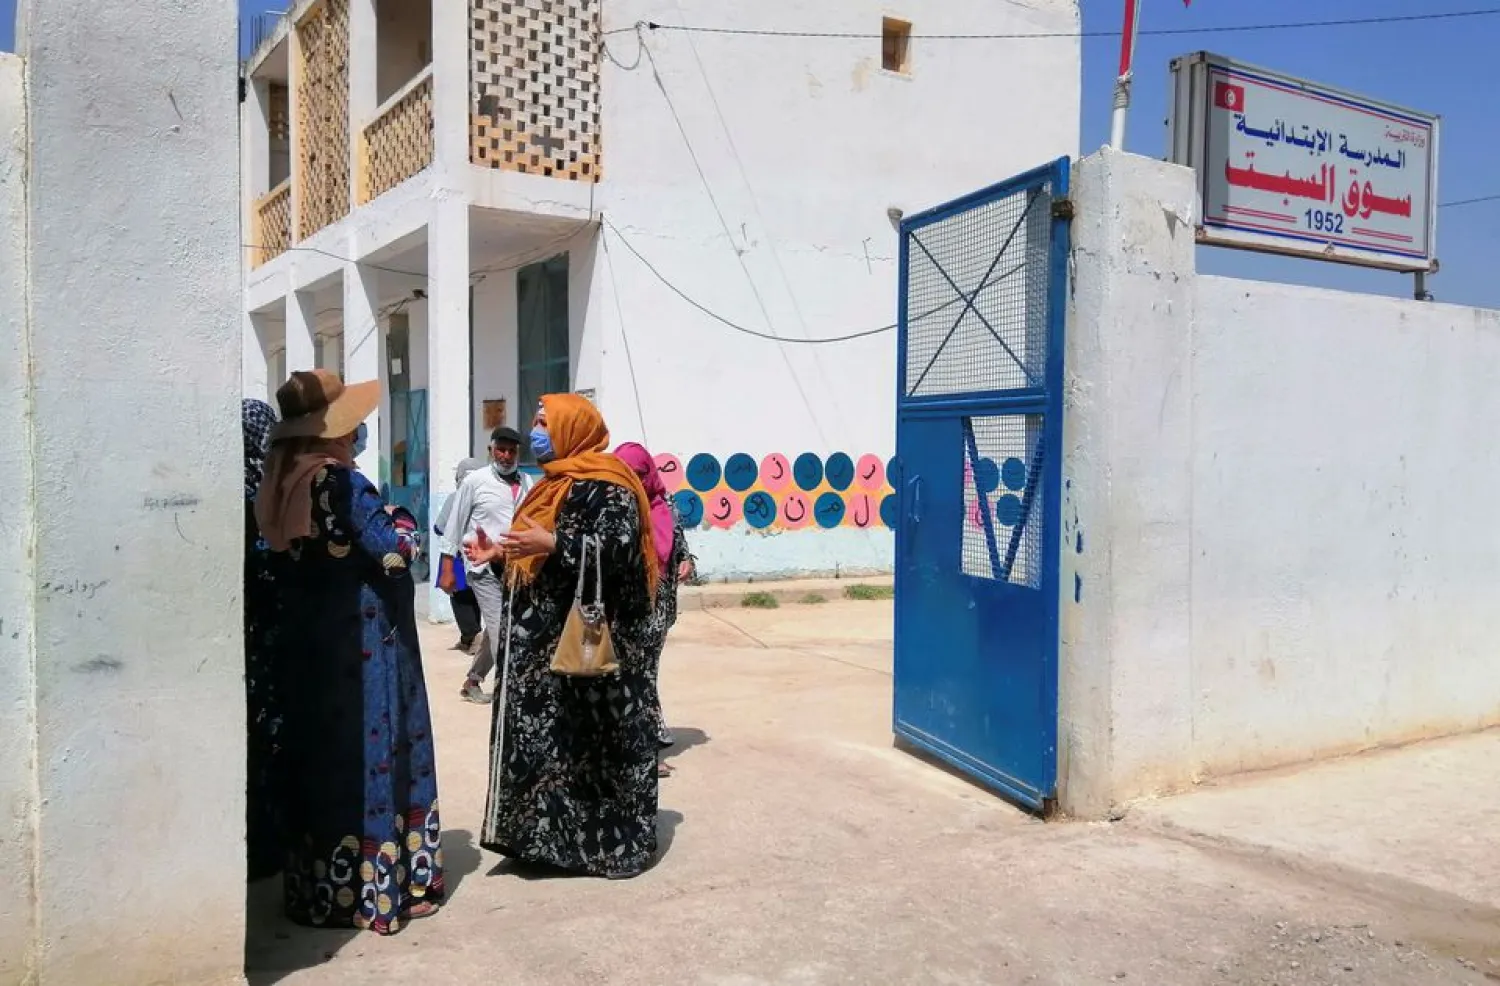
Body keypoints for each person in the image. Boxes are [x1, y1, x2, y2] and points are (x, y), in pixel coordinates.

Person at [255, 369, 444, 933]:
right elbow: (391, 552)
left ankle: (322, 888)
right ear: (333, 429)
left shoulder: (280, 480)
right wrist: (405, 526)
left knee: (320, 757)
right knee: (375, 746)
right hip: (364, 642)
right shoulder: (342, 484)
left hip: (307, 645)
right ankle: (378, 890)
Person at [465, 394, 660, 878]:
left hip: (587, 650)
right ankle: (541, 842)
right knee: (545, 748)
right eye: (535, 421)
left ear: (574, 427)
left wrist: (553, 543)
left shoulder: (609, 485)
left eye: (545, 422)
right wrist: (500, 553)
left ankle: (602, 846)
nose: (536, 431)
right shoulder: (550, 486)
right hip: (537, 653)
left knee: (590, 746)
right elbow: (532, 553)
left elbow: (619, 550)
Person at [614, 442, 694, 767]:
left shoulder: (664, 504)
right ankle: (643, 746)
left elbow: (680, 544)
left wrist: (686, 561)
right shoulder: (614, 506)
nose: (635, 481)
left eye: (640, 474)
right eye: (627, 474)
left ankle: (645, 745)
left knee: (643, 674)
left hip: (657, 608)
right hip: (621, 608)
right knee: (629, 676)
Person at [440, 426, 533, 704]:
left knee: (503, 629)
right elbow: (454, 525)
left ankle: (473, 681)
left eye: (512, 450)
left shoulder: (528, 482)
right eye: (500, 450)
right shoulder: (475, 482)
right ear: (491, 451)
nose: (506, 455)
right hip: (481, 569)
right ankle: (511, 694)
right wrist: (447, 569)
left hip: (513, 566)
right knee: (501, 631)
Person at [243, 398, 286, 881]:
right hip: (270, 636)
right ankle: (269, 846)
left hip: (248, 639)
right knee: (271, 739)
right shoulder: (266, 490)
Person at [433, 456, 487, 655]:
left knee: (458, 596)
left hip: (456, 554)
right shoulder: (486, 495)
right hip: (482, 553)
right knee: (476, 595)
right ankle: (468, 638)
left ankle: (472, 635)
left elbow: (439, 527)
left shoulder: (455, 497)